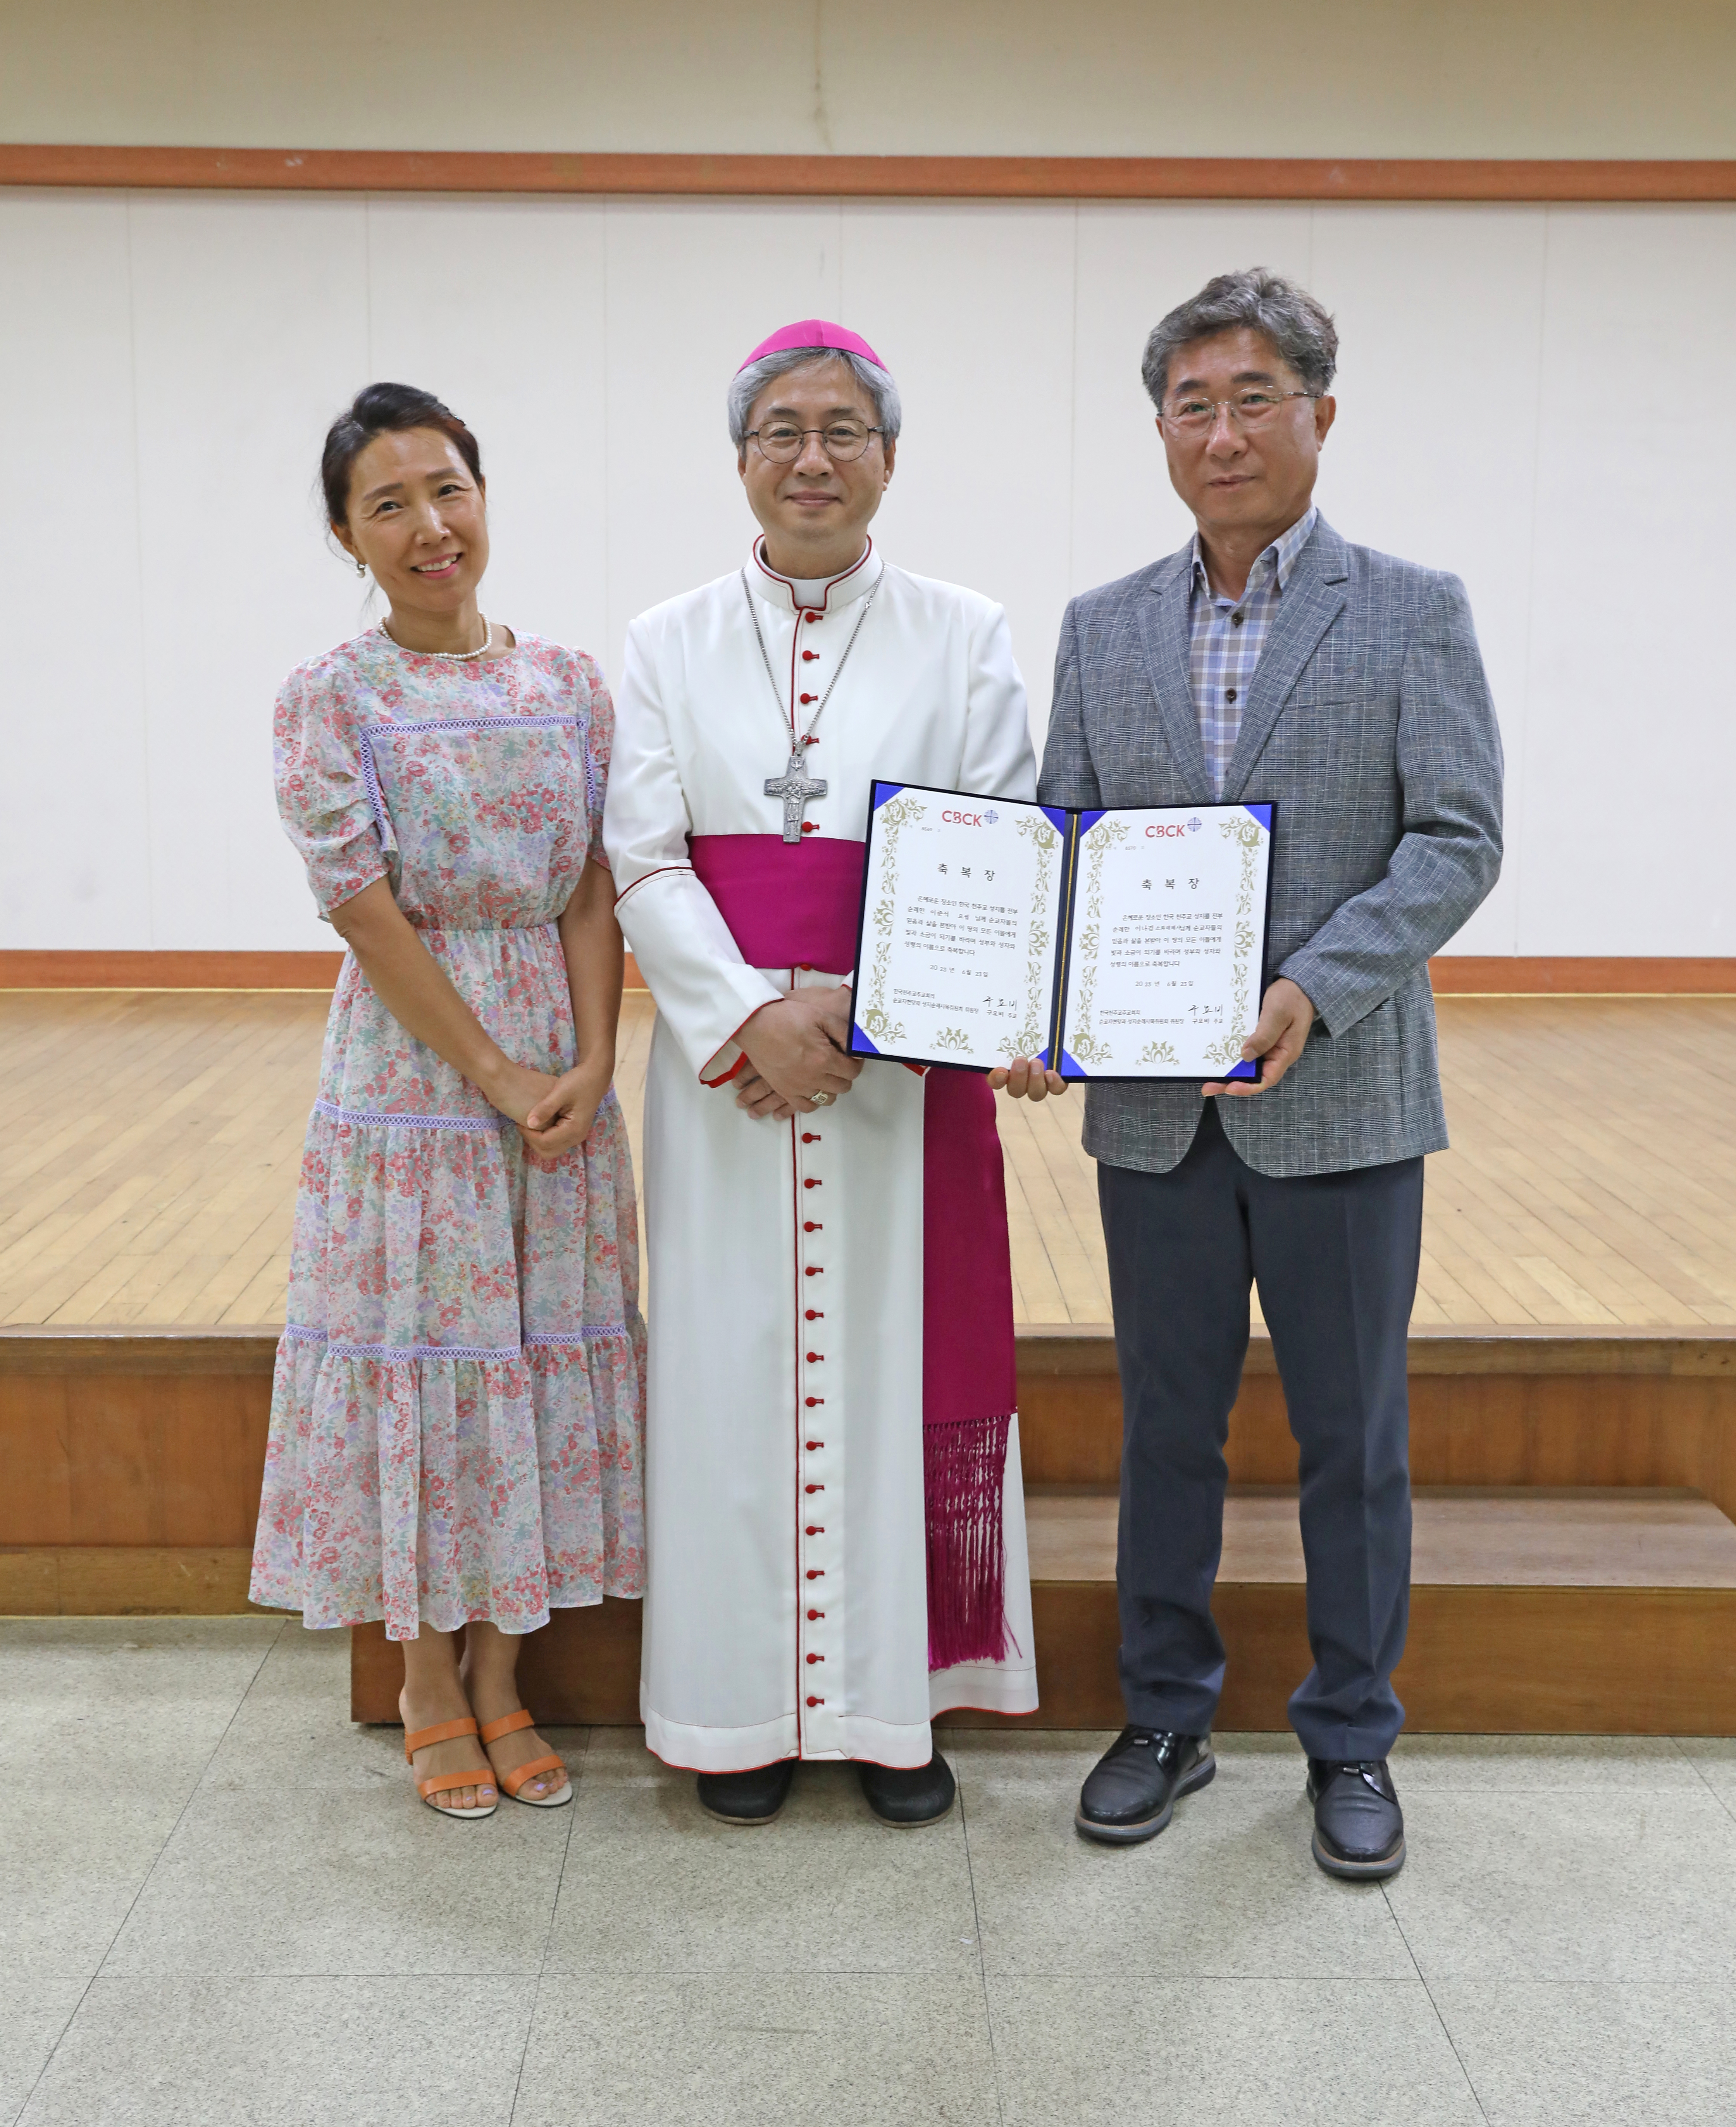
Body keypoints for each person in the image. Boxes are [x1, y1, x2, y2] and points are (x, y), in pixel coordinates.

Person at [1028, 270, 1502, 1876]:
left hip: (1344, 1094)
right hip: (1153, 1115)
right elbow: (1063, 850)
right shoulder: (1101, 627)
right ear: (1158, 425)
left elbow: (1457, 838)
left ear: (1318, 414)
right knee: (1165, 1421)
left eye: (1252, 399)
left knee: (1350, 1432)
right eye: (1190, 403)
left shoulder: (1408, 607)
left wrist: (1313, 987)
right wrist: (1040, 996)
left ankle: (1352, 1734)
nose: (1220, 432)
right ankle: (1163, 1713)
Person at [603, 320, 1039, 1826]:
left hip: (891, 1074)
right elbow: (642, 858)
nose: (811, 456)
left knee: (889, 1368)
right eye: (781, 428)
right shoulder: (664, 642)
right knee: (731, 1383)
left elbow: (987, 840)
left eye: (842, 428)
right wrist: (746, 1014)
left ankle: (888, 1711)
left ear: (888, 458)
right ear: (740, 460)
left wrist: (852, 1015)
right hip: (729, 1082)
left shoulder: (962, 631)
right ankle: (739, 1717)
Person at [251, 383, 646, 1819]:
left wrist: (597, 1062)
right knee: (427, 1355)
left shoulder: (572, 684)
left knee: (535, 1349)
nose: (431, 527)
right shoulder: (328, 697)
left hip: (562, 1058)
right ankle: (425, 1676)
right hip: (417, 1075)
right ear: (350, 537)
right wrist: (497, 1073)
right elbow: (363, 907)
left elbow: (599, 887)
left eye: (449, 490)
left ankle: (505, 1670)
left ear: (485, 495)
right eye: (390, 506)